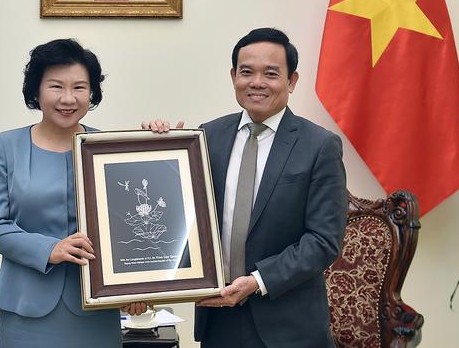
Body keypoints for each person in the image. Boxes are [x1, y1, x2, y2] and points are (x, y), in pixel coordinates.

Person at [145, 28, 348, 348]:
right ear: (233, 76)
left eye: (271, 73)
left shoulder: (319, 146)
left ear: (292, 81)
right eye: (246, 72)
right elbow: (178, 216)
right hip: (220, 317)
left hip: (289, 325)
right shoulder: (206, 137)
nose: (256, 82)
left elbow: (323, 241)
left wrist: (257, 281)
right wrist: (159, 151)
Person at [0, 39, 146, 348]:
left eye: (80, 88)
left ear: (92, 92)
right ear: (36, 91)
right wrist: (50, 249)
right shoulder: (7, 146)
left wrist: (136, 287)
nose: (68, 99)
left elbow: (129, 224)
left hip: (95, 307)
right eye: (56, 87)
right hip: (26, 308)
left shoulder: (109, 148)